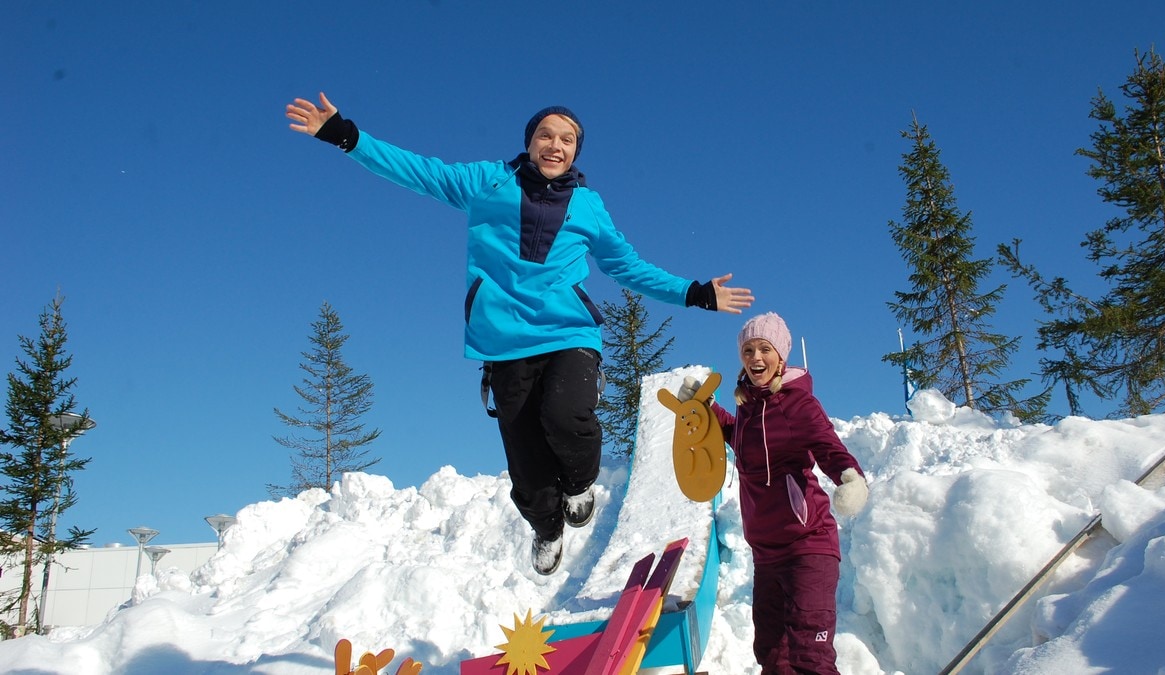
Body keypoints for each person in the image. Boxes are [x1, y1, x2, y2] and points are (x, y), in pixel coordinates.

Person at [286, 93, 755, 575]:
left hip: (569, 332)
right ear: (529, 142)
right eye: (546, 135)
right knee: (526, 458)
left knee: (567, 414)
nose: (556, 145)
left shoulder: (589, 207)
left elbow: (627, 266)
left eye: (567, 140)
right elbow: (418, 171)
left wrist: (694, 293)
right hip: (504, 340)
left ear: (576, 152)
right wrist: (345, 135)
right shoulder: (487, 182)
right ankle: (547, 525)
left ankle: (579, 484)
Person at [681, 312, 867, 674]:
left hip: (808, 546)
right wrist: (705, 408)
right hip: (766, 554)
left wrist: (850, 478)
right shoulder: (747, 411)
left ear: (781, 357)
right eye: (748, 350)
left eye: (764, 349)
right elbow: (735, 434)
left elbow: (827, 446)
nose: (755, 358)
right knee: (772, 653)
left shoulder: (799, 405)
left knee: (808, 655)